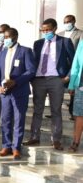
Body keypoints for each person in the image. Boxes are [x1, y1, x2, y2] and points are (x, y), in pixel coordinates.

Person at [23, 18, 75, 150]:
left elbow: (74, 61)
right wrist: (32, 78)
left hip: (56, 80)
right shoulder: (38, 43)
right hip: (39, 80)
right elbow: (34, 61)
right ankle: (34, 137)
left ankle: (56, 140)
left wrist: (68, 77)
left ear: (55, 28)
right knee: (37, 110)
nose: (46, 32)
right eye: (43, 30)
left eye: (48, 30)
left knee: (56, 110)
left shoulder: (65, 41)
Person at [0, 28, 36, 160]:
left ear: (15, 37)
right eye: (4, 37)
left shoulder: (25, 51)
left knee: (19, 120)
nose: (5, 39)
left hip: (20, 91)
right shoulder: (1, 53)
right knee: (5, 119)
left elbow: (31, 71)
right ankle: (6, 145)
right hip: (4, 93)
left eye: (8, 37)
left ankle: (16, 147)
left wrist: (15, 82)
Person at [58, 15, 83, 120]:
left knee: (73, 89)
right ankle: (56, 110)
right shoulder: (60, 34)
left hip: (74, 63)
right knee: (58, 89)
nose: (67, 23)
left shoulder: (80, 33)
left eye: (69, 21)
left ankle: (73, 111)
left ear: (74, 21)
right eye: (65, 22)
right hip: (63, 65)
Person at [68, 39, 83, 152]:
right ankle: (76, 141)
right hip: (81, 85)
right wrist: (72, 84)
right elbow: (76, 64)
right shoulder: (82, 42)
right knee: (79, 115)